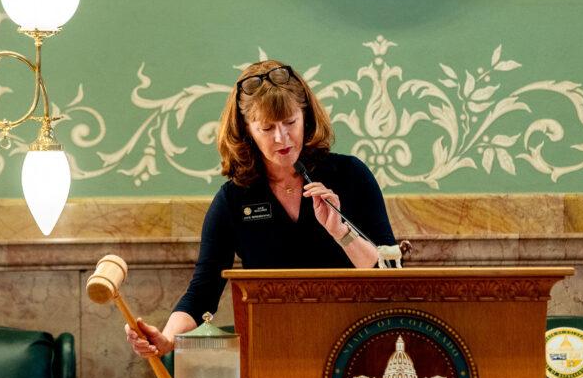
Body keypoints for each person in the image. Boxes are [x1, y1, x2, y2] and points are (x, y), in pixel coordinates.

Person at [126, 59, 396, 358]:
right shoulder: (234, 199)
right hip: (275, 351)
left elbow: (390, 280)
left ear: (305, 116)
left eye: (290, 122)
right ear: (247, 131)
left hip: (356, 345)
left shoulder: (349, 175)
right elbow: (202, 292)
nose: (282, 138)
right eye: (267, 128)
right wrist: (166, 340)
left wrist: (340, 232)